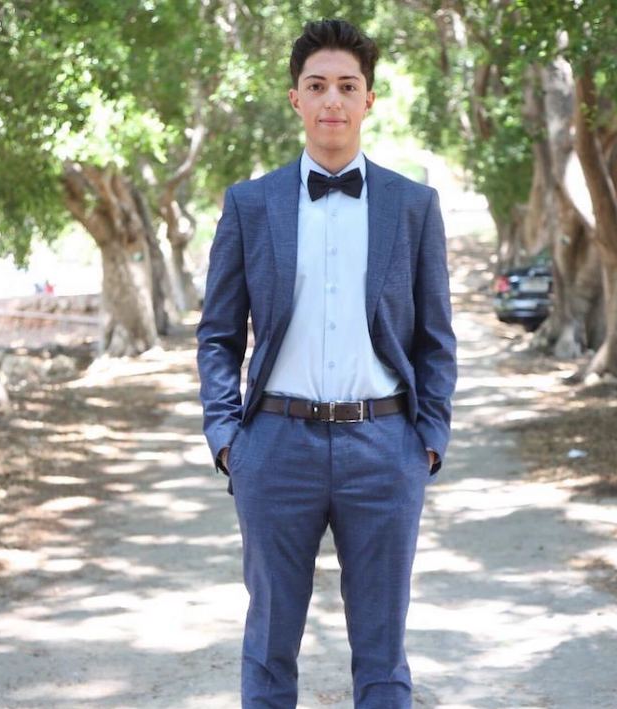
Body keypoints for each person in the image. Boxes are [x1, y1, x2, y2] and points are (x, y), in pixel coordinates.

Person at [197, 18, 457, 709]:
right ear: (296, 99)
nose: (331, 100)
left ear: (369, 99)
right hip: (275, 448)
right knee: (268, 645)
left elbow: (436, 338)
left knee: (382, 652)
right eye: (317, 86)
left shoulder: (414, 206)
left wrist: (427, 440)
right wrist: (227, 439)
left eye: (347, 86)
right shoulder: (250, 205)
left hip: (385, 448)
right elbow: (218, 334)